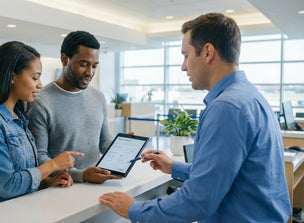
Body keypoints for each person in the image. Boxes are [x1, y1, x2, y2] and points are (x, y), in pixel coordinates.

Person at [99, 13, 291, 222]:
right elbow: (225, 173)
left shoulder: (226, 107)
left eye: (186, 55)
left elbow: (197, 201)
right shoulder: (249, 95)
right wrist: (174, 167)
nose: (183, 66)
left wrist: (133, 209)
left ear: (207, 52)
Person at [0, 41, 84, 211]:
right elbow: (7, 186)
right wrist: (53, 165)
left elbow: (23, 175)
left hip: (21, 211)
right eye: (35, 77)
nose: (40, 84)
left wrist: (48, 182)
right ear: (12, 77)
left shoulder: (19, 117)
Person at [26, 31, 121, 183]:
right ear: (65, 59)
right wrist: (81, 175)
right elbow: (39, 157)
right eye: (83, 65)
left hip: (97, 183)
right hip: (62, 187)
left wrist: (120, 146)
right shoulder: (41, 101)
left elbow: (104, 141)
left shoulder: (98, 97)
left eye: (94, 66)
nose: (90, 72)